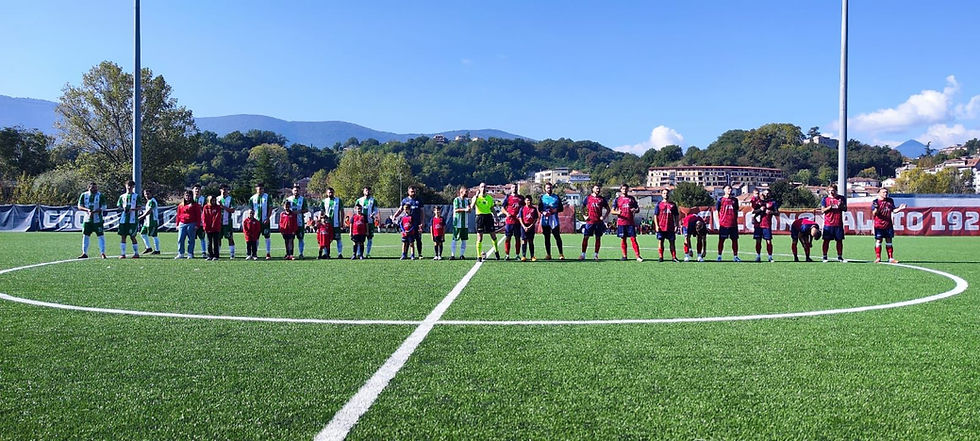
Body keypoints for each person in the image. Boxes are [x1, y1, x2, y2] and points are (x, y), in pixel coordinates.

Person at [871, 188, 907, 263]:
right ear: (879, 193)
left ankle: (890, 258)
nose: (885, 193)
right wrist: (877, 208)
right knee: (878, 240)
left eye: (886, 192)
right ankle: (878, 258)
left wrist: (900, 208)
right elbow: (874, 213)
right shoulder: (875, 201)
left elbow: (893, 210)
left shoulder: (890, 200)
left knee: (889, 240)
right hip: (878, 225)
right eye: (883, 192)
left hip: (888, 224)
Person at [391, 186, 425, 258]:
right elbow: (400, 210)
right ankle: (405, 254)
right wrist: (395, 216)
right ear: (408, 192)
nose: (413, 193)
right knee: (406, 240)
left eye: (414, 191)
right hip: (407, 224)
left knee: (418, 239)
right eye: (412, 191)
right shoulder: (405, 200)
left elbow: (422, 212)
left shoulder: (419, 200)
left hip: (417, 223)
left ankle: (419, 254)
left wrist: (422, 222)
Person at [612, 184, 643, 262]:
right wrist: (617, 212)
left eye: (626, 189)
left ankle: (638, 256)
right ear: (620, 190)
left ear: (628, 189)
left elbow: (638, 209)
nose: (624, 190)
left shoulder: (632, 199)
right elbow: (612, 211)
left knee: (633, 239)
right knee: (623, 239)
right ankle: (624, 256)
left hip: (630, 222)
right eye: (623, 189)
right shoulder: (617, 199)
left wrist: (635, 210)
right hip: (621, 222)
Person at [77, 182, 107, 259]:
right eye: (93, 188)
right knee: (85, 235)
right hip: (87, 219)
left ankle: (102, 253)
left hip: (97, 220)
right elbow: (79, 206)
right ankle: (84, 253)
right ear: (89, 188)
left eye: (96, 188)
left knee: (100, 236)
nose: (95, 189)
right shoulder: (84, 195)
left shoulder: (100, 195)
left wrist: (96, 211)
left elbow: (104, 206)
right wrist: (87, 210)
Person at [471, 182, 501, 262]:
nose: (483, 188)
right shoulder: (476, 197)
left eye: (484, 187)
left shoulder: (489, 198)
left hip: (488, 217)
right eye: (481, 187)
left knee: (493, 236)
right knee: (480, 237)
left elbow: (492, 208)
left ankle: (496, 252)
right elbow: (472, 207)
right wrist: (476, 197)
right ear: (479, 188)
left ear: (486, 188)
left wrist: (496, 217)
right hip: (480, 217)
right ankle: (478, 256)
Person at [579, 184, 609, 261]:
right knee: (586, 237)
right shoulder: (588, 198)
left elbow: (608, 209)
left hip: (598, 222)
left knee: (598, 238)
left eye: (599, 188)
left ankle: (596, 255)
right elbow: (582, 207)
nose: (598, 190)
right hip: (590, 222)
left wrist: (604, 217)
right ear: (593, 189)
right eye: (596, 188)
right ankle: (583, 255)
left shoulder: (601, 199)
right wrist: (584, 216)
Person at [821, 183, 847, 262]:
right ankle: (825, 256)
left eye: (833, 190)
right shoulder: (825, 199)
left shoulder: (841, 198)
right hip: (828, 223)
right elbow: (822, 210)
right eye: (830, 191)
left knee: (839, 240)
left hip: (838, 223)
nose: (831, 192)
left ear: (836, 190)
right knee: (826, 240)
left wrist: (840, 205)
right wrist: (830, 207)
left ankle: (840, 256)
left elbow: (845, 209)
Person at [538, 182, 565, 260]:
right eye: (547, 188)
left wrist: (555, 210)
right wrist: (544, 212)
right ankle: (548, 254)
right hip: (545, 220)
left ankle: (561, 254)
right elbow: (539, 208)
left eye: (550, 188)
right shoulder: (542, 197)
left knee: (557, 236)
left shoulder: (556, 197)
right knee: (547, 237)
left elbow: (561, 208)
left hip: (554, 220)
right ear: (545, 189)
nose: (549, 189)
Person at [654, 188, 680, 262]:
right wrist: (656, 225)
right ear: (662, 195)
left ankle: (674, 257)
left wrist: (676, 225)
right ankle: (661, 257)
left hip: (670, 227)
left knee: (672, 242)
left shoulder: (673, 204)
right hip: (661, 227)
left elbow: (676, 216)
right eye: (664, 193)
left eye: (667, 193)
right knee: (660, 241)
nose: (666, 195)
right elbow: (655, 215)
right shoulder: (659, 204)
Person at [716, 185, 741, 262]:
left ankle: (735, 256)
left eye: (730, 189)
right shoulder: (720, 200)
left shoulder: (735, 200)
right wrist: (719, 222)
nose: (729, 190)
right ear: (724, 190)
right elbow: (718, 211)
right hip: (724, 224)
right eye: (728, 189)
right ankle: (719, 256)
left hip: (733, 224)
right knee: (721, 240)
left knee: (735, 240)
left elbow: (736, 211)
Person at [116, 180, 141, 259]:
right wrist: (123, 208)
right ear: (125, 186)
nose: (129, 187)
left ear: (133, 187)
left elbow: (139, 207)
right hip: (123, 220)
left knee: (132, 236)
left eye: (131, 186)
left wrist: (132, 210)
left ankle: (136, 253)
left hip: (133, 220)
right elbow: (119, 206)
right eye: (128, 185)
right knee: (123, 236)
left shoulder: (136, 196)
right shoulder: (122, 196)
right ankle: (123, 254)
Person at [753, 189, 779, 262]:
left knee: (769, 241)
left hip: (767, 224)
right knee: (758, 241)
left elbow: (777, 213)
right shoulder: (759, 202)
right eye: (765, 193)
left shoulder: (772, 202)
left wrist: (771, 212)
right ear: (762, 194)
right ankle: (758, 256)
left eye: (768, 193)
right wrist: (760, 210)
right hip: (758, 224)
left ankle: (770, 257)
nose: (766, 195)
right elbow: (754, 211)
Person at [249, 183, 273, 260]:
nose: (260, 190)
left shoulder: (267, 197)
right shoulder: (252, 198)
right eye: (259, 189)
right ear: (256, 189)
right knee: (256, 238)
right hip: (256, 222)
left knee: (267, 237)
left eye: (262, 189)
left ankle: (268, 253)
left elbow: (270, 208)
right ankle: (255, 253)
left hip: (265, 221)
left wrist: (268, 218)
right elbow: (251, 209)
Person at [175, 190, 201, 259]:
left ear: (192, 196)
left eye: (189, 195)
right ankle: (181, 253)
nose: (187, 197)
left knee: (191, 239)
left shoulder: (195, 205)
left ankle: (190, 253)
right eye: (186, 195)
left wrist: (197, 225)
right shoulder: (181, 205)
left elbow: (198, 215)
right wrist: (177, 224)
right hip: (182, 223)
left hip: (192, 223)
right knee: (180, 239)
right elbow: (178, 215)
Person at [286, 183, 309, 259]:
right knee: (290, 239)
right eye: (295, 190)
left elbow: (306, 209)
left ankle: (301, 253)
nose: (296, 192)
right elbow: (285, 207)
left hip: (299, 222)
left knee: (300, 238)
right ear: (292, 191)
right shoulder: (289, 199)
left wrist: (299, 212)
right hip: (290, 222)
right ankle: (289, 253)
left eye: (297, 190)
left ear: (300, 191)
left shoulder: (302, 199)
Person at [355, 186, 379, 258]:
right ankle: (359, 253)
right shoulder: (359, 200)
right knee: (359, 238)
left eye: (368, 190)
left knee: (370, 238)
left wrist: (373, 214)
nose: (367, 192)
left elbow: (376, 210)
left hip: (370, 222)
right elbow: (356, 209)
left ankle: (367, 253)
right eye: (366, 190)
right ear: (363, 191)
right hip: (360, 223)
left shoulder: (373, 200)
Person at [501, 187, 524, 260]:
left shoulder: (521, 198)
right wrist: (507, 213)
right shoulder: (508, 197)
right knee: (508, 238)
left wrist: (521, 214)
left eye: (515, 187)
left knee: (517, 238)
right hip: (509, 221)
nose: (514, 189)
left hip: (518, 221)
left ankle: (517, 255)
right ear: (511, 189)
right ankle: (507, 255)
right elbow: (502, 208)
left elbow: (524, 207)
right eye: (513, 187)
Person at [322, 187, 345, 259]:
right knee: (327, 239)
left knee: (338, 239)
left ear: (334, 193)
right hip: (327, 224)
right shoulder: (324, 201)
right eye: (329, 192)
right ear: (326, 193)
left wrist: (341, 222)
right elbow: (322, 212)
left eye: (332, 192)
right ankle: (326, 254)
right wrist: (322, 220)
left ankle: (340, 253)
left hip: (336, 224)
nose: (330, 193)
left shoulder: (338, 200)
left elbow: (342, 212)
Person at [450, 186, 471, 260]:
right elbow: (456, 209)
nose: (467, 193)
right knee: (455, 239)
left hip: (465, 223)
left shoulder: (467, 200)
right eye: (466, 192)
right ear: (461, 192)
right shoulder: (456, 200)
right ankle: (452, 255)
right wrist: (465, 209)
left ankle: (462, 255)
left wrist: (469, 209)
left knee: (464, 239)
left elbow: (469, 210)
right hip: (457, 223)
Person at [138, 188, 161, 255]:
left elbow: (149, 211)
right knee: (142, 233)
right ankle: (148, 248)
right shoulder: (149, 201)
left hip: (153, 221)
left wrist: (141, 217)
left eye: (148, 194)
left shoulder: (152, 201)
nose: (146, 195)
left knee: (154, 235)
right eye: (145, 194)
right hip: (147, 221)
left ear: (151, 194)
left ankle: (157, 250)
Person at [217, 184, 236, 259]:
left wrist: (223, 207)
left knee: (230, 237)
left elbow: (232, 210)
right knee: (218, 238)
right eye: (223, 189)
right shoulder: (217, 199)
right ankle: (217, 253)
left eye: (226, 189)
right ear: (220, 190)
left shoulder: (230, 199)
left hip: (227, 222)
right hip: (218, 222)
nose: (225, 191)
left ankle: (232, 254)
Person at [202, 195, 223, 260]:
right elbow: (204, 217)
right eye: (212, 200)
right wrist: (205, 226)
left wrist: (214, 225)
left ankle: (216, 256)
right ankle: (210, 255)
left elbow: (217, 217)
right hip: (208, 228)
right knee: (209, 242)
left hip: (215, 227)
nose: (213, 202)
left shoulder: (217, 207)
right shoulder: (206, 207)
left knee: (215, 242)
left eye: (214, 200)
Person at [519, 195, 539, 261]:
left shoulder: (534, 209)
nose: (529, 201)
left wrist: (530, 226)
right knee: (524, 241)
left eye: (530, 200)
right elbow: (520, 218)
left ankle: (532, 256)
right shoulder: (522, 208)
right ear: (525, 201)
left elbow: (536, 219)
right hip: (524, 227)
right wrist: (524, 226)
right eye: (527, 200)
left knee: (531, 241)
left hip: (531, 227)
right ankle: (523, 256)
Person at [192, 183, 207, 257]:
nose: (197, 191)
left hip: (201, 221)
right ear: (193, 190)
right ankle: (191, 252)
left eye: (198, 189)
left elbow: (206, 209)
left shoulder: (204, 199)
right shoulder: (190, 199)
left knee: (202, 237)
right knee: (192, 238)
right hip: (192, 221)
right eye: (196, 189)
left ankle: (204, 252)